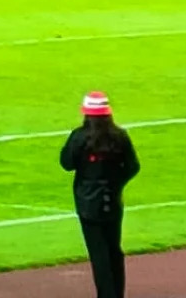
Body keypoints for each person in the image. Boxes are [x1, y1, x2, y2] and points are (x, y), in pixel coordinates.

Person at [59, 92, 139, 298]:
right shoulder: (120, 136)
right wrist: (116, 183)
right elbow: (132, 166)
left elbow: (66, 163)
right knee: (114, 250)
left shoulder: (80, 137)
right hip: (112, 200)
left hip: (87, 203)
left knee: (99, 253)